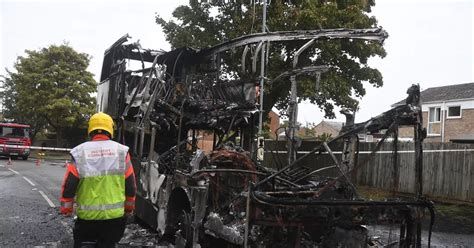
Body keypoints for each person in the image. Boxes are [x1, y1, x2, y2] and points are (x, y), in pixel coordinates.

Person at [60, 112, 136, 247]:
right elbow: (130, 185)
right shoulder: (121, 152)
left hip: (87, 219)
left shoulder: (80, 152)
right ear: (110, 129)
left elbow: (69, 185)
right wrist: (128, 208)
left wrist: (67, 209)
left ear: (90, 130)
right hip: (114, 219)